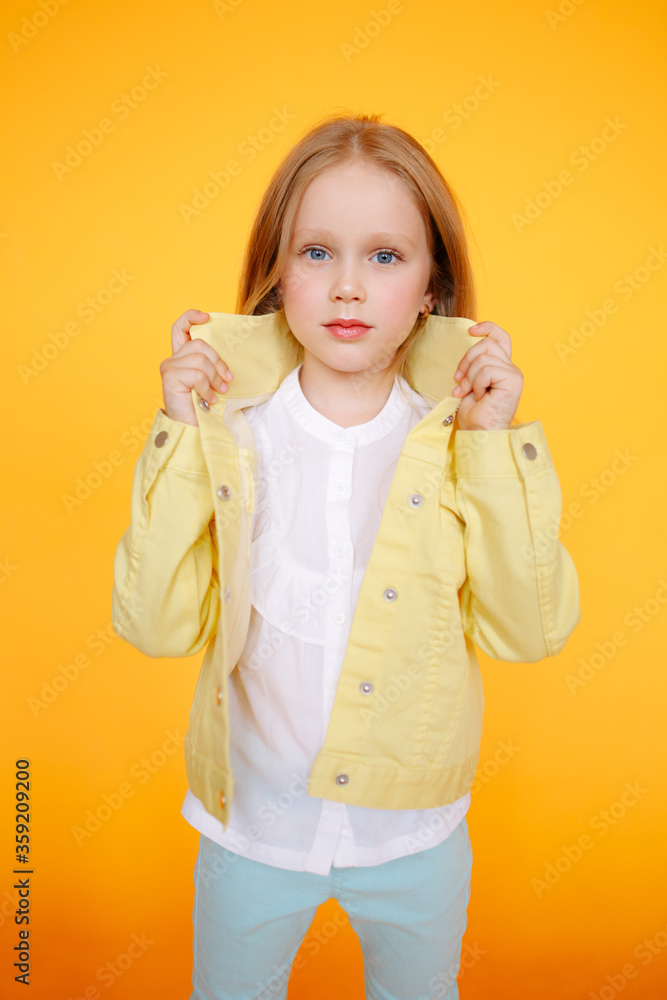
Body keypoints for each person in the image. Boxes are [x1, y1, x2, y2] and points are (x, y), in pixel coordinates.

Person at [112, 111, 580, 1000]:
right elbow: (154, 624)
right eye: (317, 253)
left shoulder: (455, 440)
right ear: (276, 275)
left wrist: (493, 442)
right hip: (253, 831)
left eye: (385, 257)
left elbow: (529, 631)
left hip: (412, 837)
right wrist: (178, 432)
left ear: (431, 288)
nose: (348, 290)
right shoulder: (232, 433)